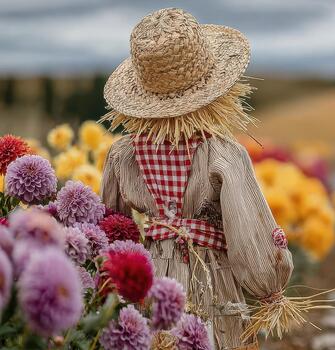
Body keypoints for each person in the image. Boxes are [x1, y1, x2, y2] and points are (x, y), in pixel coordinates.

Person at [100, 8, 293, 349]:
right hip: (209, 278)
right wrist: (269, 287)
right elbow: (247, 234)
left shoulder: (123, 154)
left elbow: (114, 229)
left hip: (151, 279)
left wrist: (108, 289)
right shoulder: (223, 154)